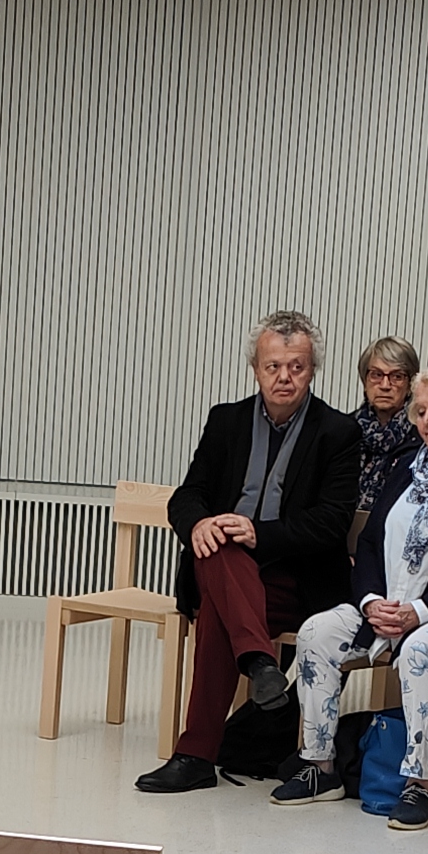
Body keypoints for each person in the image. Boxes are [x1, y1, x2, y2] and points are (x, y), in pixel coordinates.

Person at [270, 366, 428, 831]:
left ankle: (417, 784)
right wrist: (371, 601)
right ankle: (320, 766)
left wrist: (420, 612)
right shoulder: (408, 467)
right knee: (317, 632)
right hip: (389, 606)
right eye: (422, 411)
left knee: (420, 650)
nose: (427, 420)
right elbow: (369, 542)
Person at [142, 313, 361, 796]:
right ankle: (261, 663)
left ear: (314, 369)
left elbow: (330, 523)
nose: (284, 377)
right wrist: (198, 523)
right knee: (217, 547)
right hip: (226, 569)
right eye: (273, 366)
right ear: (255, 369)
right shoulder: (227, 420)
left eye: (297, 367)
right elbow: (187, 495)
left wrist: (260, 534)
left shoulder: (338, 433)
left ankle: (195, 756)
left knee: (221, 604)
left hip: (294, 581)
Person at [343, 332, 425, 549]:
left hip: (397, 547)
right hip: (339, 545)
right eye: (376, 375)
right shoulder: (342, 432)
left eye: (397, 376)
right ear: (364, 380)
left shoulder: (424, 438)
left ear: (410, 385)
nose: (385, 385)